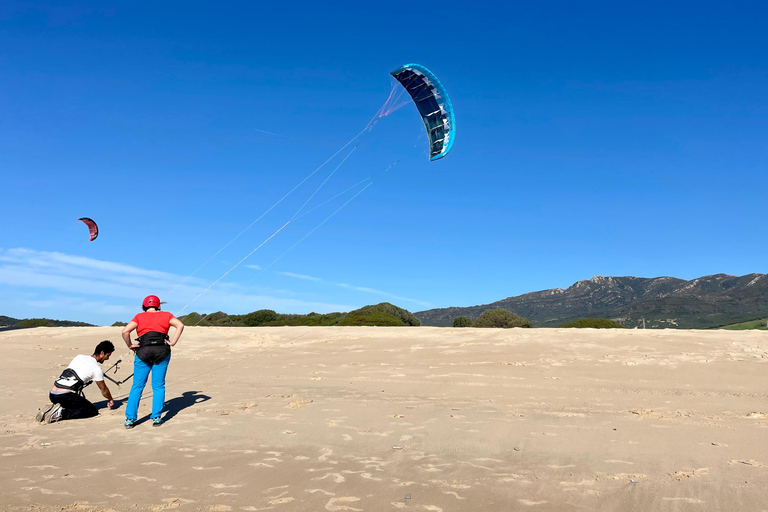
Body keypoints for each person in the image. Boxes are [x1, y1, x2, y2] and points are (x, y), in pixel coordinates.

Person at [121, 295, 184, 428]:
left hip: (143, 352)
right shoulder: (167, 315)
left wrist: (130, 345)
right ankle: (156, 417)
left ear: (144, 305)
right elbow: (180, 325)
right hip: (162, 351)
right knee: (158, 385)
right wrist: (172, 342)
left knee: (137, 386)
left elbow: (125, 331)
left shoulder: (139, 316)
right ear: (158, 305)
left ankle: (130, 419)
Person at [37, 340, 116, 423]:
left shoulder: (79, 357)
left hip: (52, 394)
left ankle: (51, 410)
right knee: (92, 411)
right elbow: (103, 389)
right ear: (102, 353)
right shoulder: (96, 369)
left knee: (75, 405)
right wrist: (110, 399)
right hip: (65, 395)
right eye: (108, 355)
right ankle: (60, 413)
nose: (108, 358)